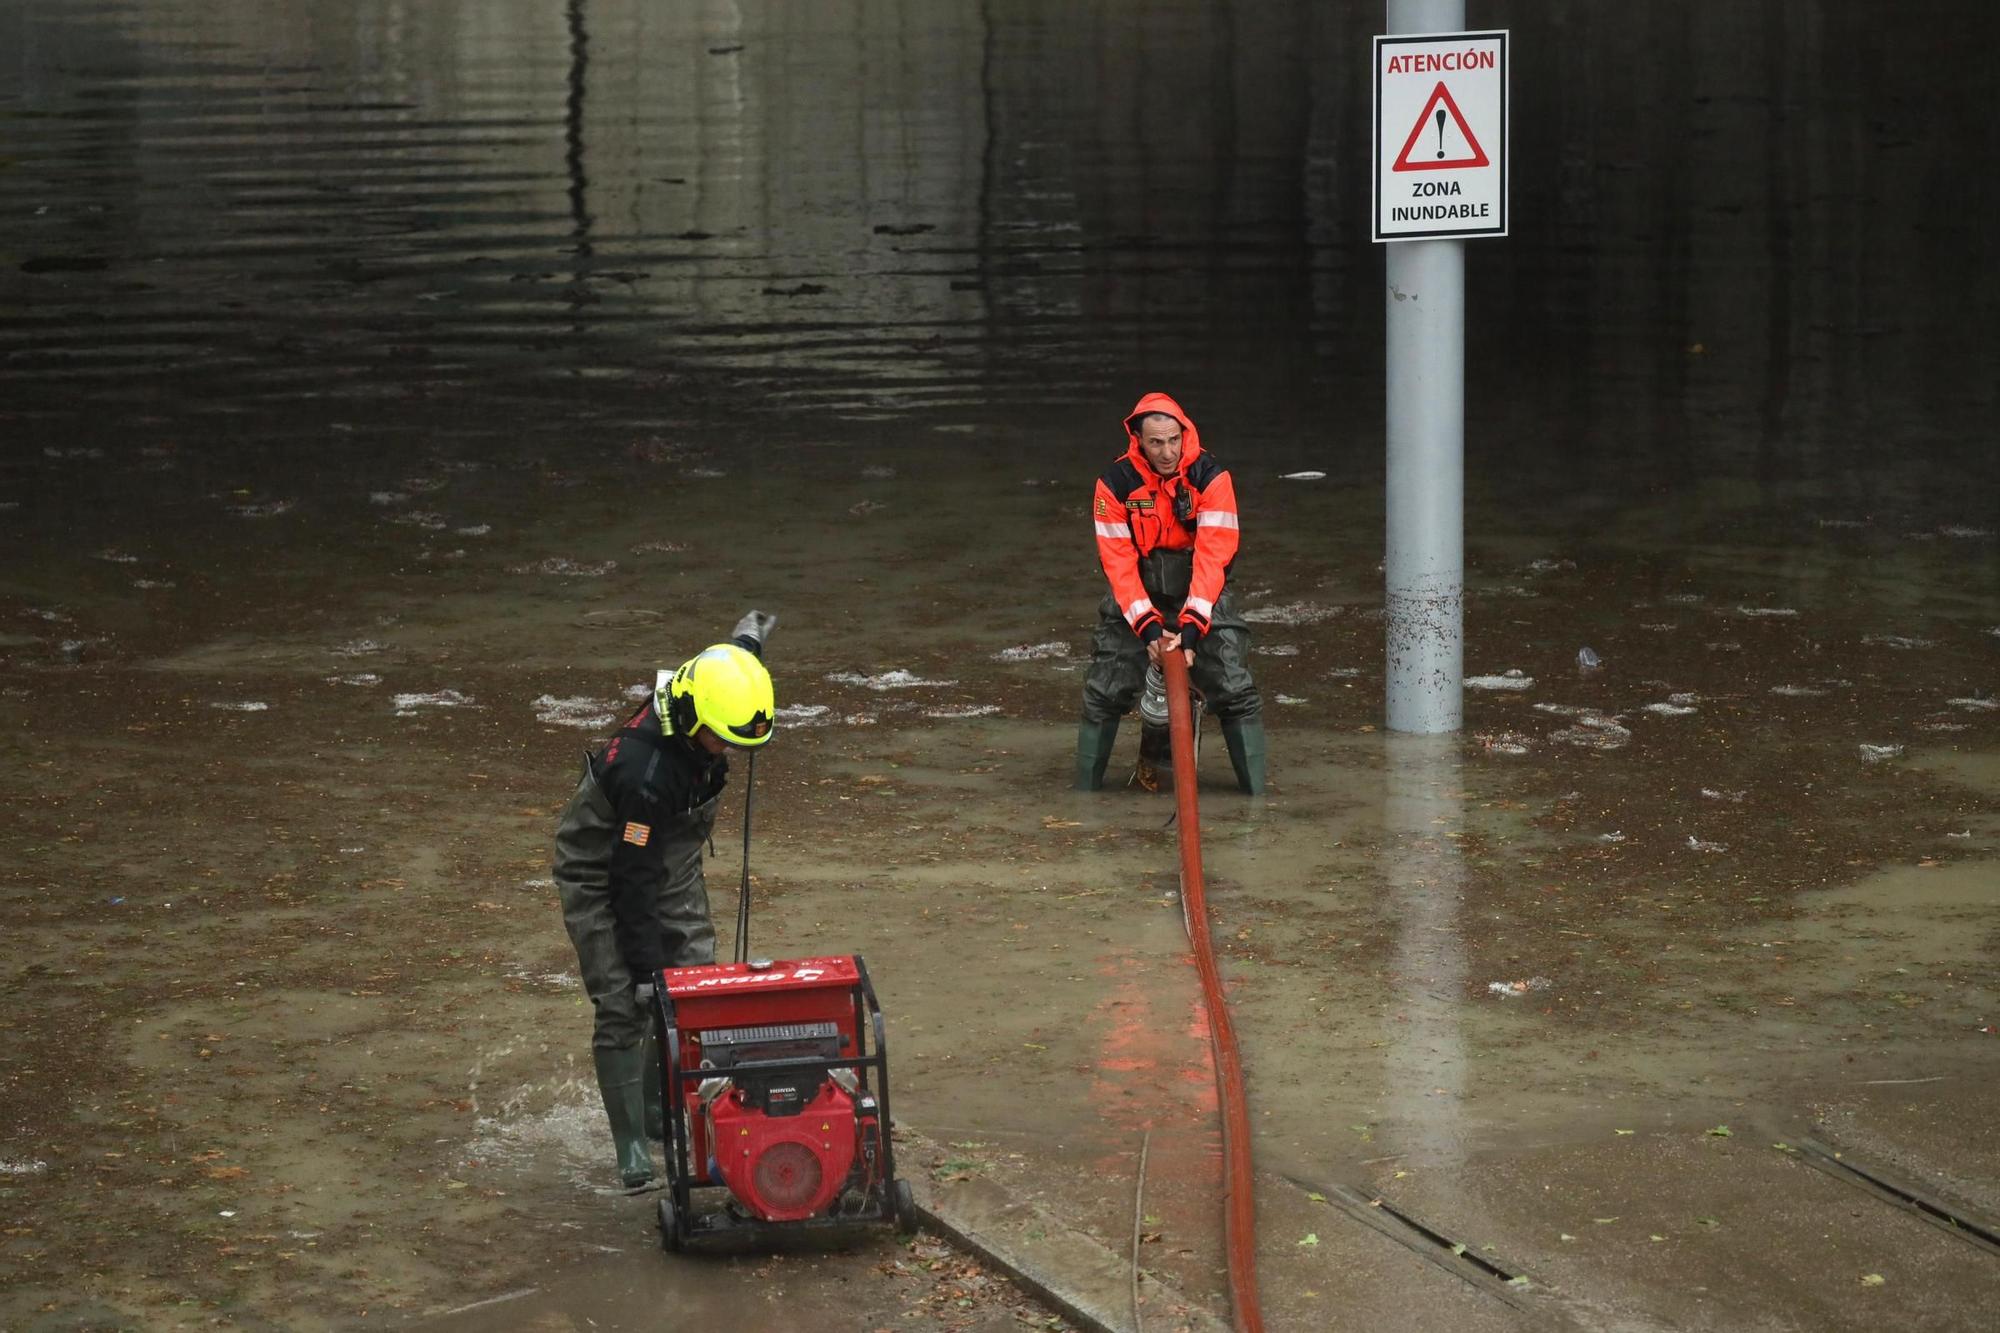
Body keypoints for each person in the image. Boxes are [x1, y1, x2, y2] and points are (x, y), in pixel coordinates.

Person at [553, 610, 777, 1190]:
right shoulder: (644, 772)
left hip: (667, 849)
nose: (727, 753)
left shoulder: (713, 686)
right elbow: (631, 883)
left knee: (695, 983)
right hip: (605, 869)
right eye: (720, 741)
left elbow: (737, 667)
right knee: (626, 999)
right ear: (690, 717)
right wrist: (648, 971)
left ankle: (661, 1110)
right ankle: (631, 1144)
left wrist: (747, 640)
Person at [1075, 393, 1265, 794]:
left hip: (1200, 587)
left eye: (1174, 440)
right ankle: (1084, 796)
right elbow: (1119, 566)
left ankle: (1258, 802)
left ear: (1185, 434)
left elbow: (1214, 559)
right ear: (1138, 440)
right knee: (1104, 689)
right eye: (1156, 442)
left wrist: (1192, 630)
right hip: (1138, 590)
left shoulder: (1212, 478)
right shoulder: (1113, 485)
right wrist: (1148, 631)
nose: (1167, 452)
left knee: (1235, 688)